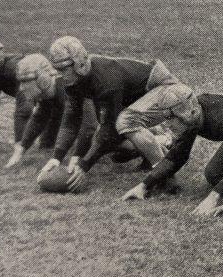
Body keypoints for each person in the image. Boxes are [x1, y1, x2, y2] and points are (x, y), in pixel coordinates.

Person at [42, 36, 201, 192]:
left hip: (166, 89)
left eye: (63, 69)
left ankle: (165, 175)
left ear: (78, 64)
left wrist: (84, 165)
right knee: (111, 135)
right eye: (57, 69)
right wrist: (56, 157)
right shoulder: (75, 81)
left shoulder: (105, 80)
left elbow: (109, 131)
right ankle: (158, 145)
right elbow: (71, 119)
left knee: (124, 123)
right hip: (137, 97)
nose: (60, 74)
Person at [120, 88, 223, 211]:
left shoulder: (221, 116)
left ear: (191, 112)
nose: (166, 124)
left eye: (170, 118)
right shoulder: (192, 118)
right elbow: (176, 157)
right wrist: (143, 186)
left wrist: (214, 197)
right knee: (214, 174)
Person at [5, 53, 96, 169]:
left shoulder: (67, 89)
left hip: (112, 112)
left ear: (42, 79)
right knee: (46, 144)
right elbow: (39, 117)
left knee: (111, 139)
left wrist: (77, 156)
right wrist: (21, 148)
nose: (21, 87)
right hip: (90, 118)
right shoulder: (49, 91)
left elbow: (89, 125)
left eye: (25, 81)